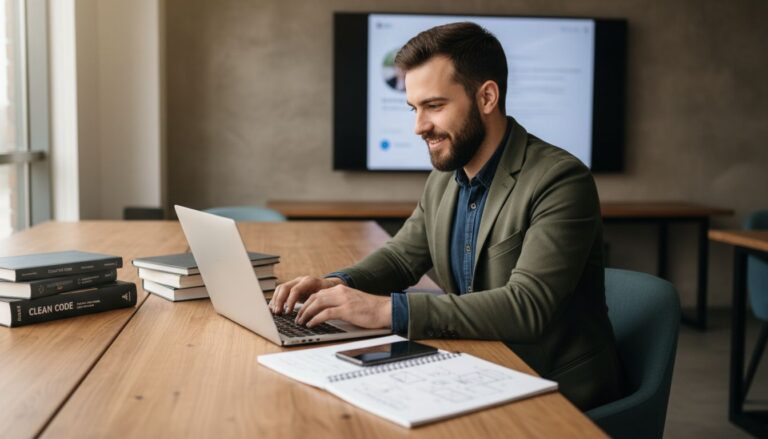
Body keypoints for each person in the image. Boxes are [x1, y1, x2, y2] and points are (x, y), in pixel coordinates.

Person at [270, 22, 622, 410]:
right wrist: (335, 284)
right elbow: (402, 257)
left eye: (434, 106)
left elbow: (527, 307)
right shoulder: (446, 179)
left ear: (487, 97)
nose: (419, 126)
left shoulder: (560, 179)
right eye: (414, 108)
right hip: (478, 368)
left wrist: (386, 310)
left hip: (554, 390)